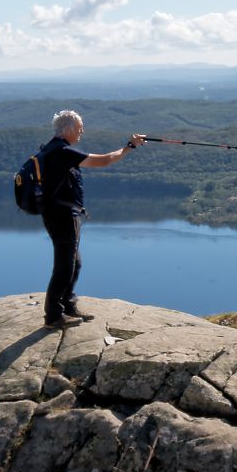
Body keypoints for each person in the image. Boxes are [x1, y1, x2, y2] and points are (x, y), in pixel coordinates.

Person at [37, 110, 145, 328]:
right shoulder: (62, 152)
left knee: (74, 263)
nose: (82, 131)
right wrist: (130, 147)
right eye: (80, 127)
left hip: (60, 214)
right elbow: (104, 161)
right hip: (62, 216)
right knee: (65, 266)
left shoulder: (51, 149)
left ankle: (67, 305)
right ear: (68, 129)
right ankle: (53, 316)